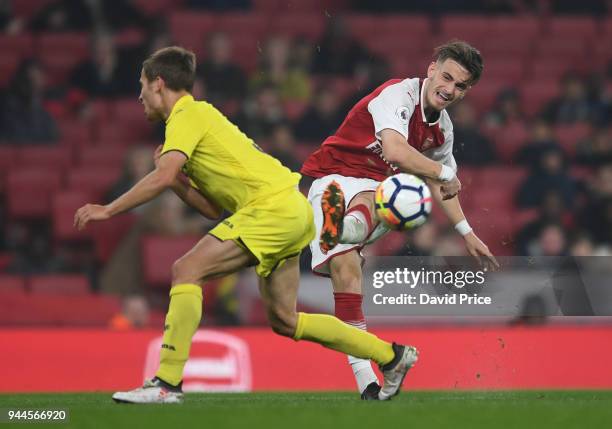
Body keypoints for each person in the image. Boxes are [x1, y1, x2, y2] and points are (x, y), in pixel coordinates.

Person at [74, 46, 417, 404]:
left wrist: (108, 209)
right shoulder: (196, 123)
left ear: (159, 84)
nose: (139, 95)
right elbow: (209, 208)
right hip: (291, 210)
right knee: (286, 320)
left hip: (270, 210)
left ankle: (165, 383)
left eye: (142, 85)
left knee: (186, 269)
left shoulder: (185, 115)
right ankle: (391, 356)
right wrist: (175, 180)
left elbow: (161, 176)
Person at [301, 40, 499, 399]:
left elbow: (444, 186)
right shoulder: (398, 94)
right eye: (447, 77)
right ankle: (349, 229)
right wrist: (441, 171)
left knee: (349, 270)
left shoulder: (443, 129)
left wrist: (467, 232)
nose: (450, 89)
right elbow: (395, 151)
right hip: (334, 177)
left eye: (460, 86)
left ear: (468, 91)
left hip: (375, 194)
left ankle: (369, 387)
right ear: (432, 69)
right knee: (351, 263)